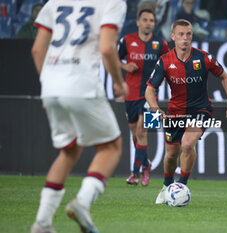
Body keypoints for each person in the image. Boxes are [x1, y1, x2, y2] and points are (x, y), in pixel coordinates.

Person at [30, 0, 128, 232]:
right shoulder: (113, 2)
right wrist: (118, 82)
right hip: (81, 81)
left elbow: (37, 49)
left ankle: (42, 223)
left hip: (51, 82)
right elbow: (106, 47)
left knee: (69, 151)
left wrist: (48, 86)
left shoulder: (55, 1)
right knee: (111, 147)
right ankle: (82, 203)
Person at [145, 19, 227, 204]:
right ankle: (166, 186)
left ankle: (181, 186)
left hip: (201, 109)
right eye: (181, 34)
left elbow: (224, 77)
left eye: (188, 34)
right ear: (173, 37)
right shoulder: (165, 61)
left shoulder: (204, 57)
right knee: (171, 154)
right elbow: (149, 89)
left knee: (187, 144)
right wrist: (156, 110)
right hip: (174, 112)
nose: (185, 38)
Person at [118, 8, 169, 186]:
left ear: (155, 24)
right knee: (135, 134)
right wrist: (125, 67)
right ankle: (146, 164)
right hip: (130, 94)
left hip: (151, 95)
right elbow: (113, 59)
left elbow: (169, 63)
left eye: (152, 21)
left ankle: (135, 173)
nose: (148, 23)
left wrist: (163, 79)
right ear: (138, 22)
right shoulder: (127, 40)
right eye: (145, 20)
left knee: (142, 131)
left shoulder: (160, 44)